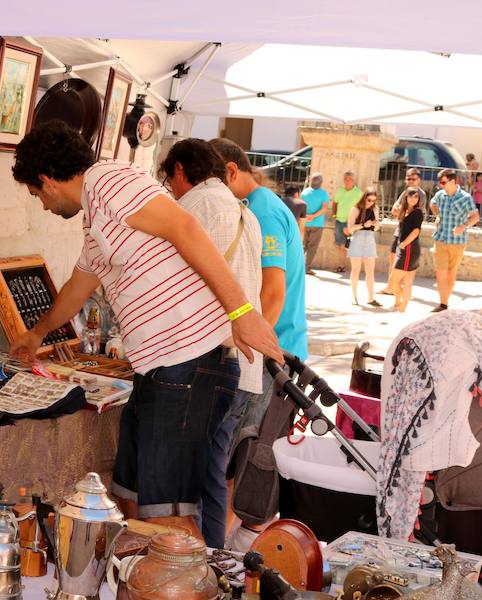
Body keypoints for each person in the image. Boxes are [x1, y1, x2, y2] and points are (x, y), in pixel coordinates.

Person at [9, 122, 282, 538]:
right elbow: (78, 287)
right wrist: (35, 334)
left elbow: (186, 228)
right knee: (131, 496)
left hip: (186, 363)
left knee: (168, 515)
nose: (43, 207)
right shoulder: (96, 215)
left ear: (46, 181)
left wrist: (241, 310)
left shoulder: (108, 181)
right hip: (161, 368)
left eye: (35, 195)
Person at [159, 138, 263, 549]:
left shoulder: (196, 206)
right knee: (212, 471)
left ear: (182, 171)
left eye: (170, 180)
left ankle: (195, 565)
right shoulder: (244, 212)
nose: (170, 190)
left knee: (191, 476)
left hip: (209, 361)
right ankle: (215, 561)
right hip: (240, 362)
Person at [210, 136, 307, 547]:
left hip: (268, 357)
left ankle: (223, 553)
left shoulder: (263, 211)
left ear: (232, 172)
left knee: (237, 459)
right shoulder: (262, 207)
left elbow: (272, 293)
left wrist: (246, 352)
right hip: (271, 352)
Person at [429, 169, 480, 312]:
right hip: (440, 239)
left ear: (452, 181)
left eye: (443, 182)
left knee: (451, 273)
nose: (441, 185)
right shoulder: (440, 195)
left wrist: (463, 226)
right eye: (440, 183)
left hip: (457, 241)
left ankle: (445, 301)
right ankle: (443, 304)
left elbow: (475, 217)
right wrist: (437, 215)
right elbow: (432, 204)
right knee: (440, 272)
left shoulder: (465, 197)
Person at [380, 168, 426, 295]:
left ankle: (400, 291)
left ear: (419, 180)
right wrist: (401, 211)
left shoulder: (419, 194)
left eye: (413, 179)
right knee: (393, 257)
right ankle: (392, 287)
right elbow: (394, 209)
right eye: (408, 178)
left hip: (408, 235)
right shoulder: (405, 192)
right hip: (400, 230)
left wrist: (401, 211)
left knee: (404, 265)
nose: (411, 181)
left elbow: (412, 214)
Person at [387, 188, 424, 311]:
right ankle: (400, 305)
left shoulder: (418, 212)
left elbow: (416, 231)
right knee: (406, 281)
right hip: (405, 248)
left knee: (394, 280)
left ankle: (401, 305)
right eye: (411, 196)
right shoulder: (405, 212)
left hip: (409, 248)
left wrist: (403, 244)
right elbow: (394, 211)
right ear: (406, 198)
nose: (413, 199)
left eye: (416, 197)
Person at [346, 189, 381, 307]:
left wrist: (376, 225)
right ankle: (354, 296)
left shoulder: (375, 209)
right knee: (355, 270)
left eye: (373, 201)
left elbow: (376, 229)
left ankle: (371, 298)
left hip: (370, 239)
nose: (371, 203)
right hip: (357, 239)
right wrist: (362, 225)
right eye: (369, 200)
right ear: (364, 198)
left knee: (370, 271)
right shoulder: (355, 209)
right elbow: (350, 229)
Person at [332, 171, 362, 273]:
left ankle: (355, 268)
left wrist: (354, 224)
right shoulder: (340, 191)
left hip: (351, 223)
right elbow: (335, 203)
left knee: (351, 246)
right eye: (345, 179)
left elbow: (361, 209)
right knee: (340, 245)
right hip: (339, 221)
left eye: (349, 179)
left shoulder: (359, 193)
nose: (347, 181)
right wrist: (334, 216)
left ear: (354, 181)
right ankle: (341, 266)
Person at [301, 173, 329, 274]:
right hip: (317, 224)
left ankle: (297, 266)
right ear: (321, 183)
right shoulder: (323, 194)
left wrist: (307, 216)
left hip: (305, 223)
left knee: (303, 246)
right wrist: (313, 216)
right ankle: (306, 268)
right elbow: (324, 209)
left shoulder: (304, 193)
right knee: (312, 247)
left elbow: (301, 206)